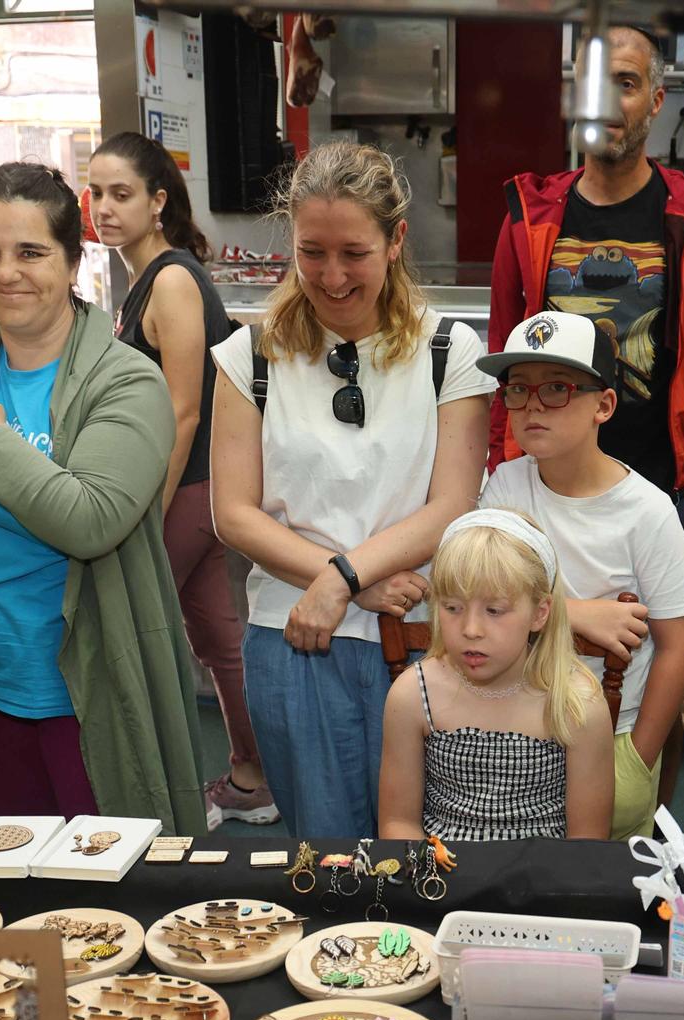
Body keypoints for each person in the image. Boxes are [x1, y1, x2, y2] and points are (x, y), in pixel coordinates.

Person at [0, 162, 206, 831]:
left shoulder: (126, 382)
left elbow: (92, 521)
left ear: (74, 261)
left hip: (74, 695)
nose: (5, 272)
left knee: (102, 902)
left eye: (31, 252)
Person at [209, 141, 492, 839]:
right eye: (312, 251)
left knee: (432, 851)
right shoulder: (250, 355)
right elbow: (233, 513)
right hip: (294, 637)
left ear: (396, 240)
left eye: (354, 254)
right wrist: (343, 581)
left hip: (425, 634)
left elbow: (453, 503)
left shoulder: (449, 352)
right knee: (327, 859)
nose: (332, 277)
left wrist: (343, 577)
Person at [487, 24, 684, 533]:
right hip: (542, 503)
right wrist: (507, 476)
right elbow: (504, 369)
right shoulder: (529, 218)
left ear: (656, 101)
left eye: (625, 84)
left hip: (659, 505)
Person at [89, 132, 275, 830]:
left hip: (188, 490)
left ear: (157, 201)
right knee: (216, 638)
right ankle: (252, 777)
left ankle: (162, 797)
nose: (103, 207)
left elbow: (184, 408)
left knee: (132, 636)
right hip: (200, 489)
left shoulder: (169, 278)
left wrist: (144, 505)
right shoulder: (148, 279)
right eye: (96, 192)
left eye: (121, 194)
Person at [475, 311, 684, 840]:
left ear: (604, 405)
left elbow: (678, 645)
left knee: (601, 889)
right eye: (518, 389)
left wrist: (639, 756)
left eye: (557, 389)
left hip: (613, 735)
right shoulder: (506, 484)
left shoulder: (647, 511)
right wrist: (576, 614)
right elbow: (483, 595)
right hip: (515, 730)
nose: (532, 407)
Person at [377, 511, 613, 840]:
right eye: (452, 608)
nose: (471, 630)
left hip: (542, 879)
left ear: (539, 613)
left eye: (494, 610)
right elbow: (398, 824)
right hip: (441, 879)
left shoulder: (577, 703)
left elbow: (587, 842)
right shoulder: (414, 694)